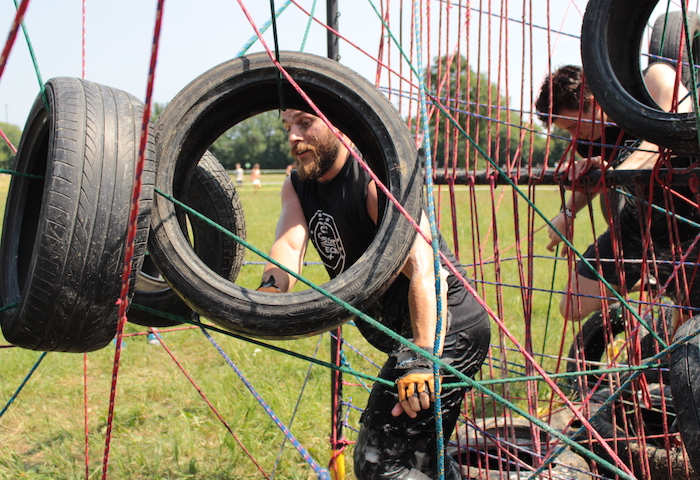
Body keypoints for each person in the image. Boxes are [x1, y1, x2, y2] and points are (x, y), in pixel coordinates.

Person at [258, 109, 491, 479]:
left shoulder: (374, 181)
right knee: (424, 460)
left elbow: (427, 271)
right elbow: (288, 245)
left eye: (305, 123)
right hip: (413, 336)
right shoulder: (298, 184)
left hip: (447, 328)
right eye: (288, 127)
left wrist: (421, 357)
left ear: (338, 122)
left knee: (378, 463)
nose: (293, 137)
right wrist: (268, 291)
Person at [535, 63, 700, 323]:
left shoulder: (651, 80)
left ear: (593, 102)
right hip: (638, 224)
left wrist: (614, 173)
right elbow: (600, 177)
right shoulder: (587, 139)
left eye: (573, 126)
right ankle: (652, 283)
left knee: (686, 327)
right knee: (572, 306)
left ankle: (667, 297)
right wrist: (567, 212)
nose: (574, 136)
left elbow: (673, 126)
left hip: (692, 225)